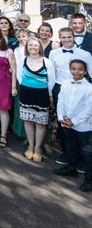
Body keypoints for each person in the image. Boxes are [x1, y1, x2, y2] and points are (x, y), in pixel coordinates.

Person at [48, 28, 92, 165]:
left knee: (80, 120)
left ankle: (81, 156)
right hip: (60, 88)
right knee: (62, 120)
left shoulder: (84, 54)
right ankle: (66, 153)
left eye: (69, 37)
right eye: (63, 37)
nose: (66, 40)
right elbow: (51, 74)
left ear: (73, 37)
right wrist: (50, 93)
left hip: (81, 89)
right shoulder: (53, 53)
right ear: (59, 38)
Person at [53, 59, 92, 192]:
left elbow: (89, 109)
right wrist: (61, 117)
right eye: (73, 68)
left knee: (86, 151)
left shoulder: (89, 88)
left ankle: (89, 179)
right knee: (71, 146)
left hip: (82, 125)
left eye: (80, 69)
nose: (76, 71)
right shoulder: (65, 83)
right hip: (65, 122)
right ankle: (71, 168)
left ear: (85, 71)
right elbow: (61, 100)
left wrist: (73, 121)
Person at [18, 38, 53, 162]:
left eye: (35, 45)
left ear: (40, 47)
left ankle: (38, 148)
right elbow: (19, 76)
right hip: (26, 93)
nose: (33, 47)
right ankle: (30, 146)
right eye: (30, 45)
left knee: (40, 124)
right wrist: (28, 86)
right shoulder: (23, 60)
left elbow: (51, 80)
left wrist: (49, 95)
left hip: (42, 94)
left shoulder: (47, 62)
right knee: (27, 121)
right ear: (27, 47)